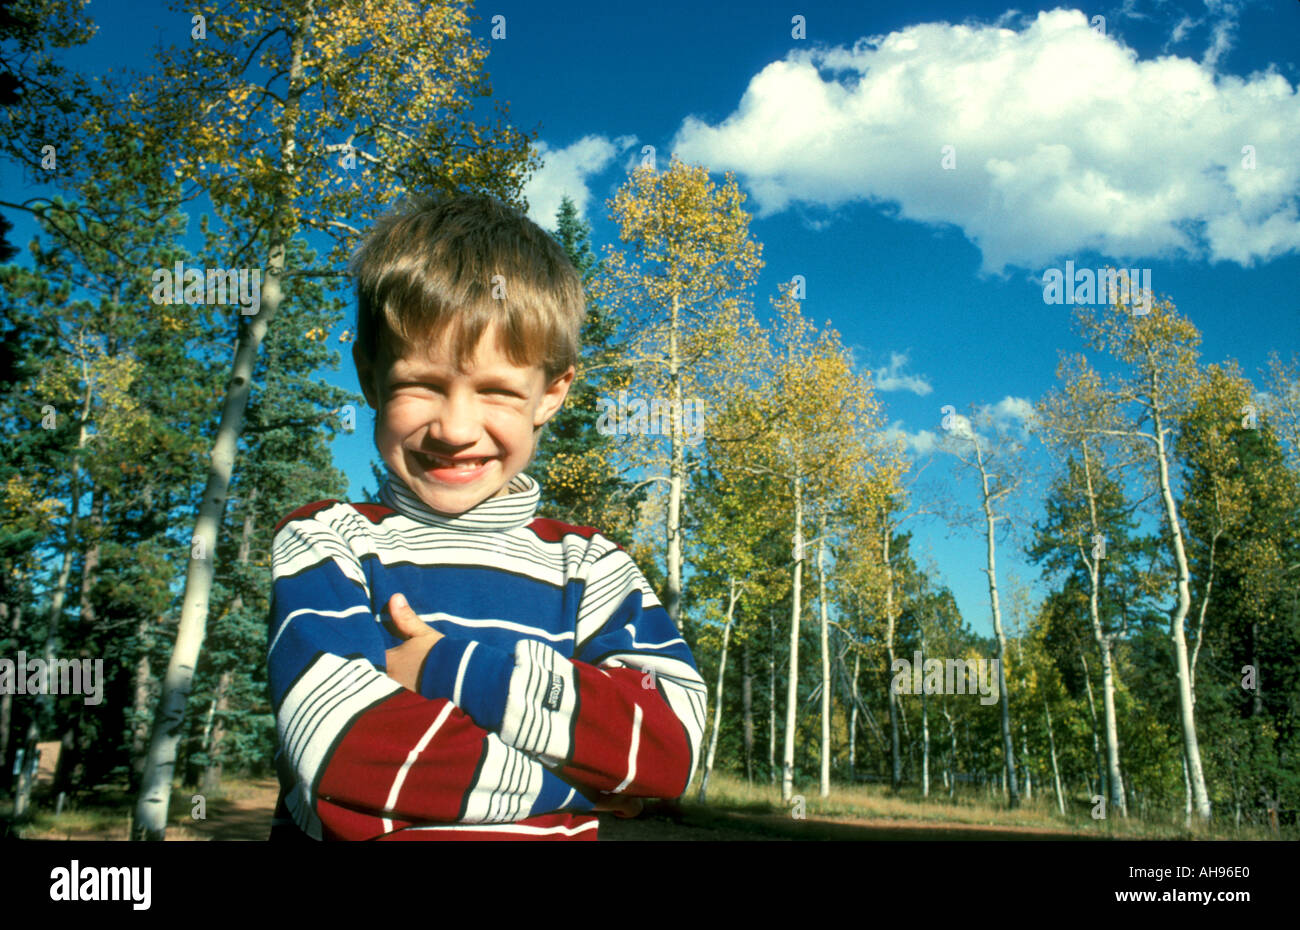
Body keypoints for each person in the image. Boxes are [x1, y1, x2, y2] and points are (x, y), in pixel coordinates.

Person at [266, 192, 707, 840]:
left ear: (551, 393)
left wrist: (443, 667)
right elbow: (342, 753)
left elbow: (668, 749)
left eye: (497, 391)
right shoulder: (330, 541)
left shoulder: (591, 568)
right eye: (422, 384)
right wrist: (584, 785)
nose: (456, 428)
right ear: (369, 375)